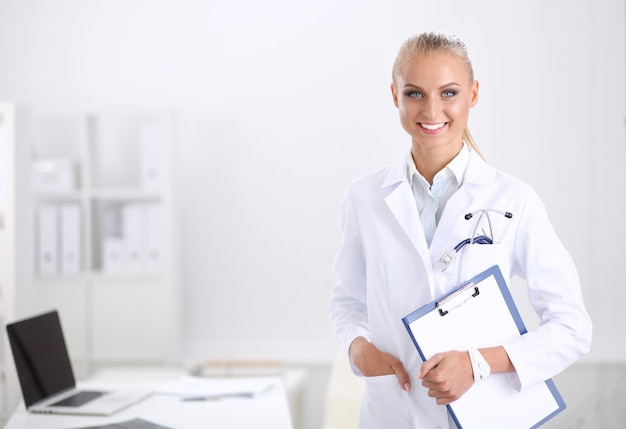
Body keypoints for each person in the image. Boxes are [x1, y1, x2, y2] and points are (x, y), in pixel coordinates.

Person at [329, 31, 592, 429]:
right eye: (415, 93)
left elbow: (572, 328)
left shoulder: (514, 200)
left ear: (473, 94)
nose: (432, 110)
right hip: (393, 415)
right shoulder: (364, 198)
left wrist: (477, 364)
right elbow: (348, 302)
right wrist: (357, 349)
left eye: (448, 93)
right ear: (394, 95)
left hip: (485, 415)